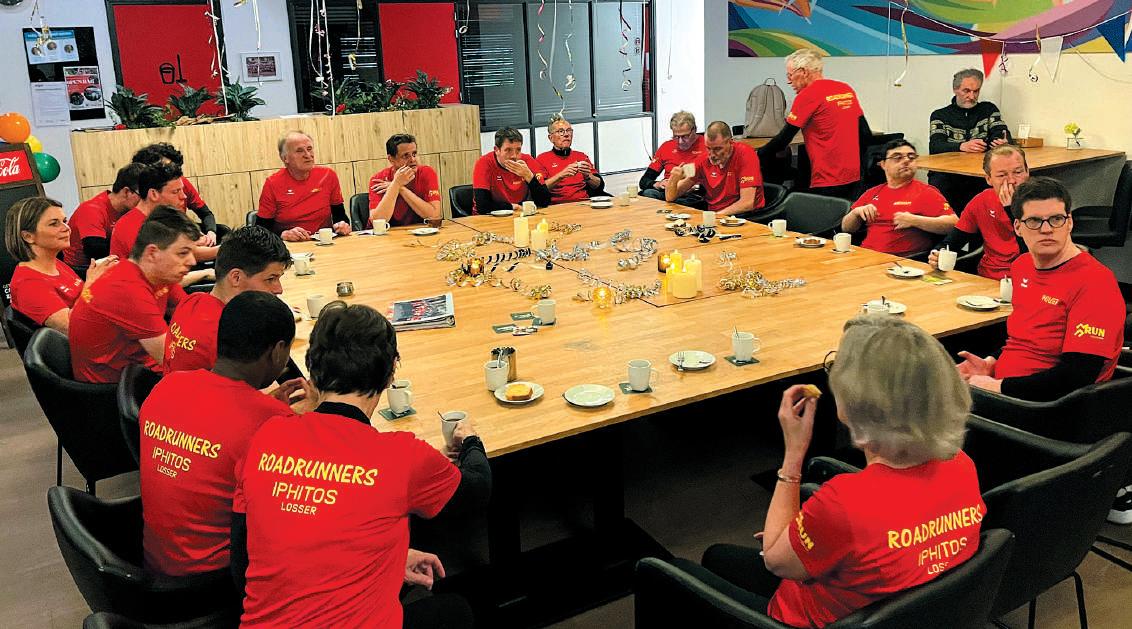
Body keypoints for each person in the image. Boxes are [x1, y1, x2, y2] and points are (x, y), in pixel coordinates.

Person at [701, 316, 984, 627]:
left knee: (688, 566)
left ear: (859, 401)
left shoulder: (844, 504)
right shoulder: (961, 464)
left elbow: (775, 561)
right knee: (719, 557)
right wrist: (806, 533)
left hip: (811, 619)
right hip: (910, 611)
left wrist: (793, 455)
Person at [231, 303, 489, 628]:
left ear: (312, 370)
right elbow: (477, 488)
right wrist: (470, 440)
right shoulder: (401, 455)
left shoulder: (264, 437)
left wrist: (388, 560)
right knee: (456, 611)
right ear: (390, 373)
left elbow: (243, 560)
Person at [142, 291, 316, 577]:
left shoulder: (167, 387)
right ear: (278, 351)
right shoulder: (270, 423)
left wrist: (267, 406)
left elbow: (216, 424)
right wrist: (312, 420)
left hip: (157, 559)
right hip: (217, 576)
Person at [956, 177, 1124, 401]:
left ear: (1069, 223)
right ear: (1017, 227)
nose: (1046, 229)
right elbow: (1024, 340)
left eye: (1056, 219)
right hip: (1007, 389)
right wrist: (989, 364)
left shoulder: (1095, 282)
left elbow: (1077, 376)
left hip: (1045, 406)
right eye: (1034, 221)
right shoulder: (1022, 266)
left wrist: (998, 387)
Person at [69, 207, 200, 383]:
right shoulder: (127, 289)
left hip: (138, 364)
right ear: (152, 253)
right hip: (118, 386)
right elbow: (173, 361)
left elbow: (189, 312)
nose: (192, 261)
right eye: (183, 253)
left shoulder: (159, 275)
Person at [164, 226, 292, 373]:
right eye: (271, 279)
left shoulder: (192, 300)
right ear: (236, 277)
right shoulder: (232, 338)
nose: (279, 289)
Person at [757, 48, 870, 200]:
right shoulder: (845, 89)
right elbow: (864, 133)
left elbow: (784, 138)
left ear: (803, 72)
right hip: (855, 176)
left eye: (790, 75)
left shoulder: (807, 95)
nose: (789, 81)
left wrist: (758, 155)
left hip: (828, 179)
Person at [5, 197, 117, 334]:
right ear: (28, 236)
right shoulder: (29, 284)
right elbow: (75, 328)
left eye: (64, 221)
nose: (67, 228)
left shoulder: (56, 264)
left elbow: (85, 298)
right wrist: (92, 283)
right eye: (54, 224)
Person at [842, 140, 957, 257]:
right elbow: (846, 228)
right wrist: (856, 213)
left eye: (911, 157)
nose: (906, 161)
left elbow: (954, 224)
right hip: (865, 255)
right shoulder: (873, 192)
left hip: (902, 260)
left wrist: (915, 220)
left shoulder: (926, 192)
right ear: (883, 164)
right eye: (897, 157)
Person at [929, 145, 1029, 279]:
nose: (1011, 181)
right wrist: (937, 255)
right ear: (989, 179)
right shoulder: (982, 201)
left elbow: (1033, 255)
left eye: (1018, 172)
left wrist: (1011, 210)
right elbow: (953, 242)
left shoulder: (1041, 202)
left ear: (1027, 172)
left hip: (1025, 278)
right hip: (986, 276)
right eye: (1002, 175)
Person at [928, 69, 1011, 212]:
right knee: (940, 185)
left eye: (976, 91)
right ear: (955, 90)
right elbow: (936, 145)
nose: (972, 96)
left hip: (979, 174)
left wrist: (1003, 142)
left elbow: (1001, 133)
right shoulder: (940, 115)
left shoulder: (988, 109)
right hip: (949, 175)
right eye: (966, 91)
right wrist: (961, 146)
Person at [111, 163, 219, 264]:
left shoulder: (167, 216)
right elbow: (167, 265)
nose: (184, 196)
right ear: (153, 194)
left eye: (182, 190)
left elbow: (190, 248)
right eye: (176, 191)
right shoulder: (129, 226)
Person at [257, 130, 352, 241]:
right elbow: (261, 231)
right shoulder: (272, 183)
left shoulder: (328, 175)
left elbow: (339, 216)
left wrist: (342, 225)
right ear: (285, 158)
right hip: (290, 244)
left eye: (309, 149)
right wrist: (283, 235)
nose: (308, 155)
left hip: (324, 242)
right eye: (299, 151)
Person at [666, 121, 764, 216]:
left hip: (743, 215)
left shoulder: (746, 154)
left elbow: (747, 203)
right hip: (715, 214)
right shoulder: (703, 159)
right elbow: (670, 197)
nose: (712, 155)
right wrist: (673, 179)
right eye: (708, 148)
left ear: (730, 142)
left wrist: (715, 217)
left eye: (717, 149)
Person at [132, 142, 221, 246]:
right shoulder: (138, 206)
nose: (183, 196)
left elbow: (205, 213)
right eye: (175, 192)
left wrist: (210, 233)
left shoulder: (180, 183)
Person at [62, 163, 144, 273]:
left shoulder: (128, 210)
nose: (146, 201)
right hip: (81, 269)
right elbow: (97, 254)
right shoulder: (92, 210)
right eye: (142, 195)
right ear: (126, 192)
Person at [367, 133, 442, 227]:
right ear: (391, 159)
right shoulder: (378, 179)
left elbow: (434, 215)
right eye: (406, 156)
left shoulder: (427, 172)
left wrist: (401, 188)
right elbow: (377, 221)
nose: (413, 159)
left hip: (420, 232)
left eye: (414, 154)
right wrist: (396, 184)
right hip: (389, 234)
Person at [472, 127, 550, 214]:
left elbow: (545, 201)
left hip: (519, 214)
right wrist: (512, 207)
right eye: (508, 150)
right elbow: (482, 207)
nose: (514, 156)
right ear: (497, 150)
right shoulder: (484, 163)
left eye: (518, 150)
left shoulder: (527, 160)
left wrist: (529, 176)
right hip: (487, 216)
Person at [640, 111, 707, 207]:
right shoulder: (666, 147)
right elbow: (644, 181)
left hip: (693, 194)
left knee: (688, 203)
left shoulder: (707, 146)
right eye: (676, 137)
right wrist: (658, 184)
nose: (680, 141)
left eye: (685, 136)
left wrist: (694, 187)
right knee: (648, 194)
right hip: (668, 192)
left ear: (694, 129)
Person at [536, 115, 604, 203]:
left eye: (569, 131)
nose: (566, 134)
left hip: (584, 203)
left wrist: (588, 176)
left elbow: (599, 186)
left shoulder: (581, 156)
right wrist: (561, 175)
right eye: (561, 131)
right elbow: (539, 190)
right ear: (551, 138)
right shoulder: (541, 159)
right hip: (557, 206)